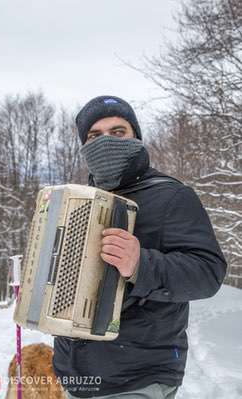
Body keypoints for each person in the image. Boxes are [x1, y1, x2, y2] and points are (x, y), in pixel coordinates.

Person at [53, 95, 227, 399]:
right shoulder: (79, 202)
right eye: (94, 135)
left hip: (138, 377)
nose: (105, 141)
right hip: (75, 375)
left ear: (136, 136)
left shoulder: (173, 196)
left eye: (118, 132)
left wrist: (140, 265)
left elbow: (208, 273)